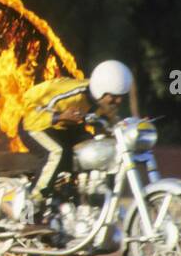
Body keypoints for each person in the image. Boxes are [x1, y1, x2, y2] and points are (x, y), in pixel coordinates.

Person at [19, 60, 133, 209]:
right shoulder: (71, 92)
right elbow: (28, 109)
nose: (118, 101)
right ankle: (31, 206)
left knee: (95, 150)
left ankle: (77, 200)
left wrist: (131, 128)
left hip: (66, 128)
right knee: (56, 152)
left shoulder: (104, 103)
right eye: (114, 96)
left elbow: (113, 124)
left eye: (122, 96)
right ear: (101, 89)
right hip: (35, 124)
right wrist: (59, 116)